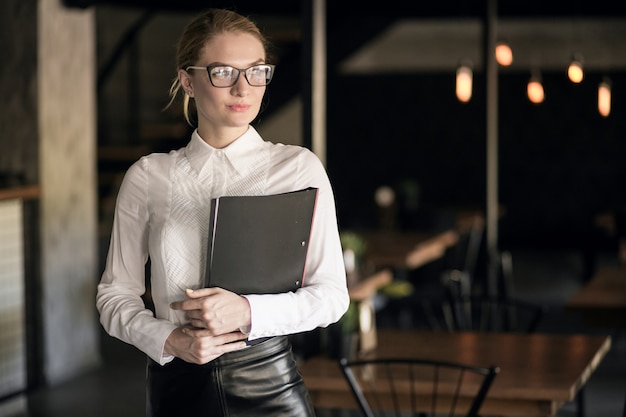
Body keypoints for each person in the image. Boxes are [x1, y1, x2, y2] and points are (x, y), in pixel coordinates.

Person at [96, 8, 349, 417]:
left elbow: (332, 297)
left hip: (270, 387)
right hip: (175, 389)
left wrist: (249, 311)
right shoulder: (148, 176)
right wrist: (168, 338)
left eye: (256, 71)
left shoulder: (298, 169)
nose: (243, 88)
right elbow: (114, 296)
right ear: (188, 81)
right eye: (222, 72)